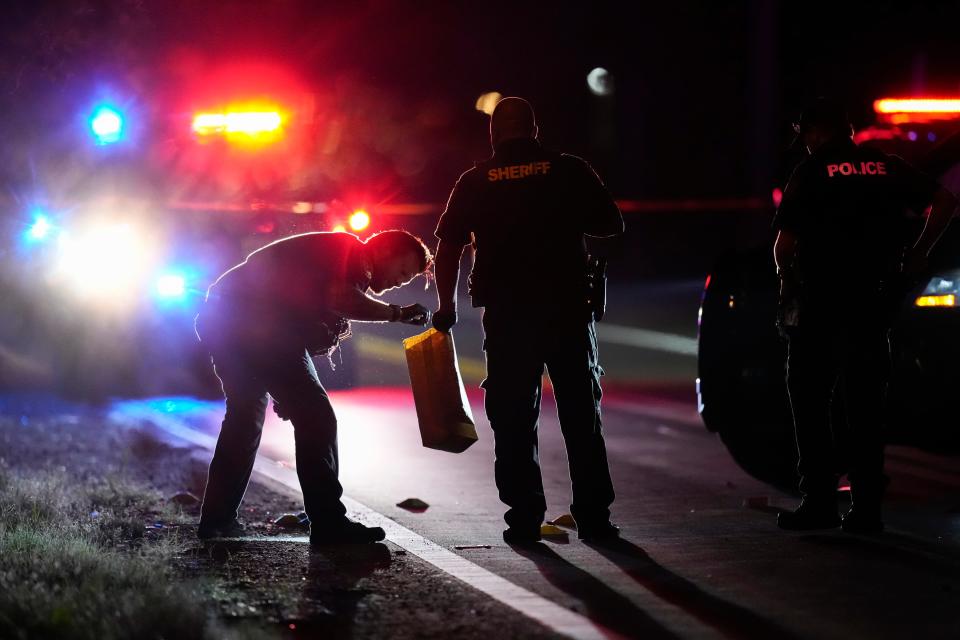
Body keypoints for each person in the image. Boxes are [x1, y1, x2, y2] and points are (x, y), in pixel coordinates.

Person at [432, 97, 625, 544]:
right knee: (581, 414)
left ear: (495, 135)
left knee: (514, 416)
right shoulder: (568, 169)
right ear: (535, 130)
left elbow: (448, 247)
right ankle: (594, 518)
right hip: (567, 310)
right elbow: (610, 224)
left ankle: (523, 518)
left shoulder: (475, 180)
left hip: (507, 316)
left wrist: (447, 305)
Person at [774, 98, 957, 533]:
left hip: (821, 305)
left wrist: (785, 284)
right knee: (866, 407)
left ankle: (819, 501)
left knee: (810, 400)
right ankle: (866, 510)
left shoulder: (813, 171)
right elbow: (946, 201)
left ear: (815, 133)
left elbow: (784, 244)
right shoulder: (885, 166)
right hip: (873, 304)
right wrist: (918, 254)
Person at [195, 229, 432, 544]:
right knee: (318, 420)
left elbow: (300, 316)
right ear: (385, 249)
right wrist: (397, 314)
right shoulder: (352, 253)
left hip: (226, 320)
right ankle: (329, 523)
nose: (398, 284)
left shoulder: (336, 262)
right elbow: (341, 299)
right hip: (253, 323)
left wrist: (290, 393)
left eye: (406, 281)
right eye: (402, 272)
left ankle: (217, 521)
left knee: (245, 419)